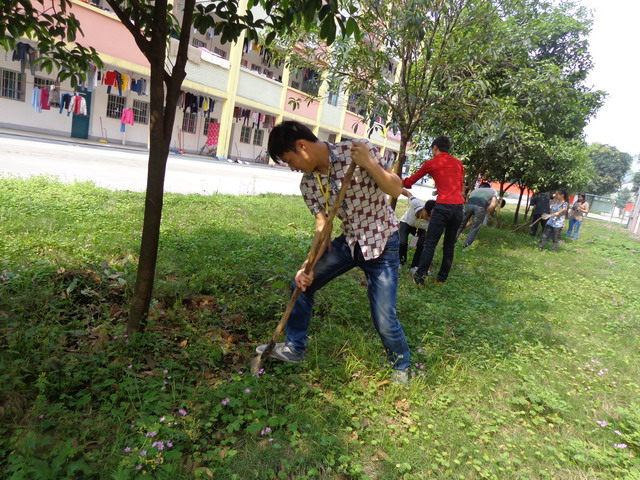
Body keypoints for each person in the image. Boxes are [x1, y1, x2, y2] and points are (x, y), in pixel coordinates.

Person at [258, 121, 411, 383]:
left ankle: (401, 366)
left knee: (384, 317)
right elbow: (323, 226)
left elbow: (395, 189)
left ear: (302, 146)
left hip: (382, 241)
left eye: (290, 160)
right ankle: (294, 348)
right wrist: (307, 265)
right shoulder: (308, 184)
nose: (292, 168)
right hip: (349, 243)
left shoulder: (357, 151)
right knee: (301, 284)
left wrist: (369, 163)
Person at [402, 135, 465, 285]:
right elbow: (460, 186)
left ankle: (419, 278)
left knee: (430, 244)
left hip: (442, 207)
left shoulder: (432, 163)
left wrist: (397, 181)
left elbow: (410, 182)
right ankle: (441, 280)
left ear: (435, 148)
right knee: (449, 245)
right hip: (458, 208)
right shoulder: (459, 164)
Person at [398, 189, 436, 270]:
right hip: (406, 222)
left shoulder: (434, 218)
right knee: (402, 243)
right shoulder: (416, 203)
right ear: (424, 209)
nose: (428, 219)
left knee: (422, 245)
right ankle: (401, 261)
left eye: (431, 217)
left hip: (419, 228)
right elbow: (408, 193)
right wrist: (396, 187)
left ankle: (415, 266)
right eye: (427, 215)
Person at [456, 181, 498, 247]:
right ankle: (466, 246)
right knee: (474, 228)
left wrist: (469, 220)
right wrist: (485, 212)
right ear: (489, 187)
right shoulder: (493, 191)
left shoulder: (475, 191)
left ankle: (452, 241)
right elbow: (493, 204)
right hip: (480, 207)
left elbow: (468, 201)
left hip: (469, 205)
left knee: (461, 225)